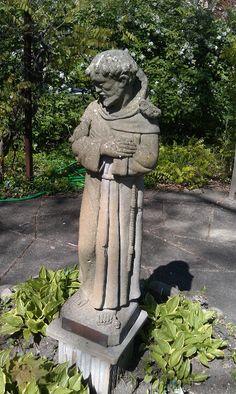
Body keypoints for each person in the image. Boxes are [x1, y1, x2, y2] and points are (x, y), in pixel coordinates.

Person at [70, 49, 160, 327]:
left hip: (123, 194)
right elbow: (76, 141)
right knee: (87, 247)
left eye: (102, 85)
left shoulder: (145, 116)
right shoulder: (93, 110)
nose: (98, 92)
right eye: (94, 85)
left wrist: (120, 162)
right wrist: (103, 148)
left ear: (123, 80)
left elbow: (148, 159)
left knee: (113, 248)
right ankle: (88, 288)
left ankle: (111, 302)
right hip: (95, 188)